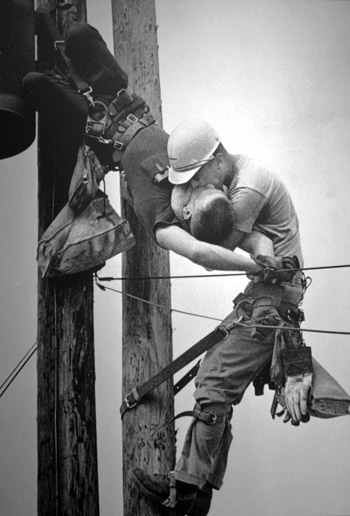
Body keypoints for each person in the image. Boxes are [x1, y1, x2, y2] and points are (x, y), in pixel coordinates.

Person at [131, 120, 313, 515]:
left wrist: (176, 206)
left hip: (272, 303)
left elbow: (208, 247)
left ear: (215, 160)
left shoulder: (248, 188)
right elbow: (254, 246)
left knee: (214, 382)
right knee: (214, 378)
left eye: (195, 178)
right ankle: (196, 493)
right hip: (265, 299)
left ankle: (184, 493)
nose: (194, 187)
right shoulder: (228, 180)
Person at [23, 16, 276, 277]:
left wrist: (250, 267)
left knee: (34, 83)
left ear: (188, 212)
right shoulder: (196, 184)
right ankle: (49, 38)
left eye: (203, 191)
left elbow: (200, 254)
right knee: (77, 33)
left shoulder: (164, 220)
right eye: (213, 187)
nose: (204, 184)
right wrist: (267, 262)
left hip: (97, 128)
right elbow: (258, 240)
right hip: (121, 98)